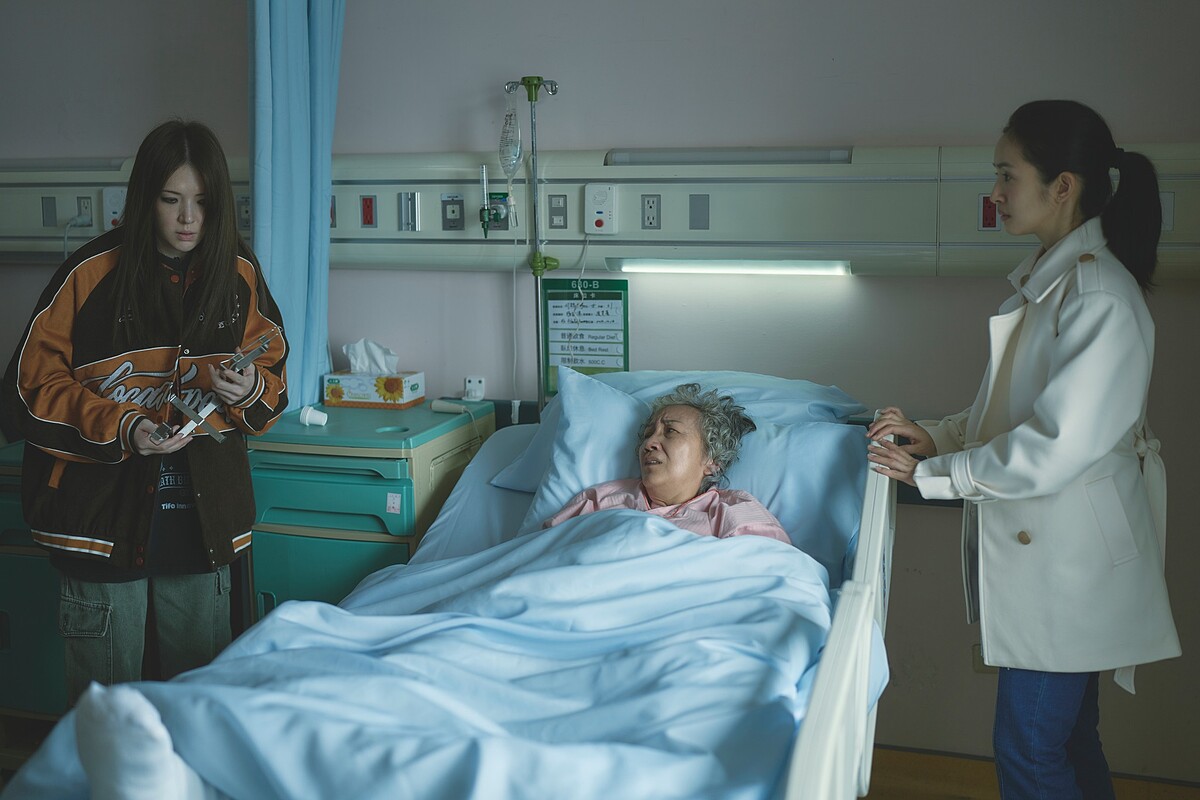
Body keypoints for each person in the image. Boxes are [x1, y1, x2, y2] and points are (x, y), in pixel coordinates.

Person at [866, 100, 1180, 799]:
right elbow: (1012, 411)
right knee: (1067, 741)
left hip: (1070, 566)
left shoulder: (1097, 294)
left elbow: (1054, 446)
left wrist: (934, 474)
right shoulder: (1052, 281)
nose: (996, 192)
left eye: (1007, 175)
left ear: (1062, 186)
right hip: (1060, 557)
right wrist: (939, 435)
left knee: (1031, 748)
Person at [1, 120, 289, 705]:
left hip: (201, 524)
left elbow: (273, 378)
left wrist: (248, 388)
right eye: (171, 200)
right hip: (100, 520)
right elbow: (30, 388)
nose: (188, 219)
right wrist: (125, 426)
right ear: (143, 199)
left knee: (196, 704)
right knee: (109, 711)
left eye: (203, 202)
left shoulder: (238, 273)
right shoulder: (88, 274)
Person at [544, 383, 790, 544]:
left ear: (712, 460)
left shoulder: (734, 512)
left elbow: (771, 574)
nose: (649, 443)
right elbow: (544, 553)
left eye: (670, 431)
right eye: (647, 434)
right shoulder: (600, 500)